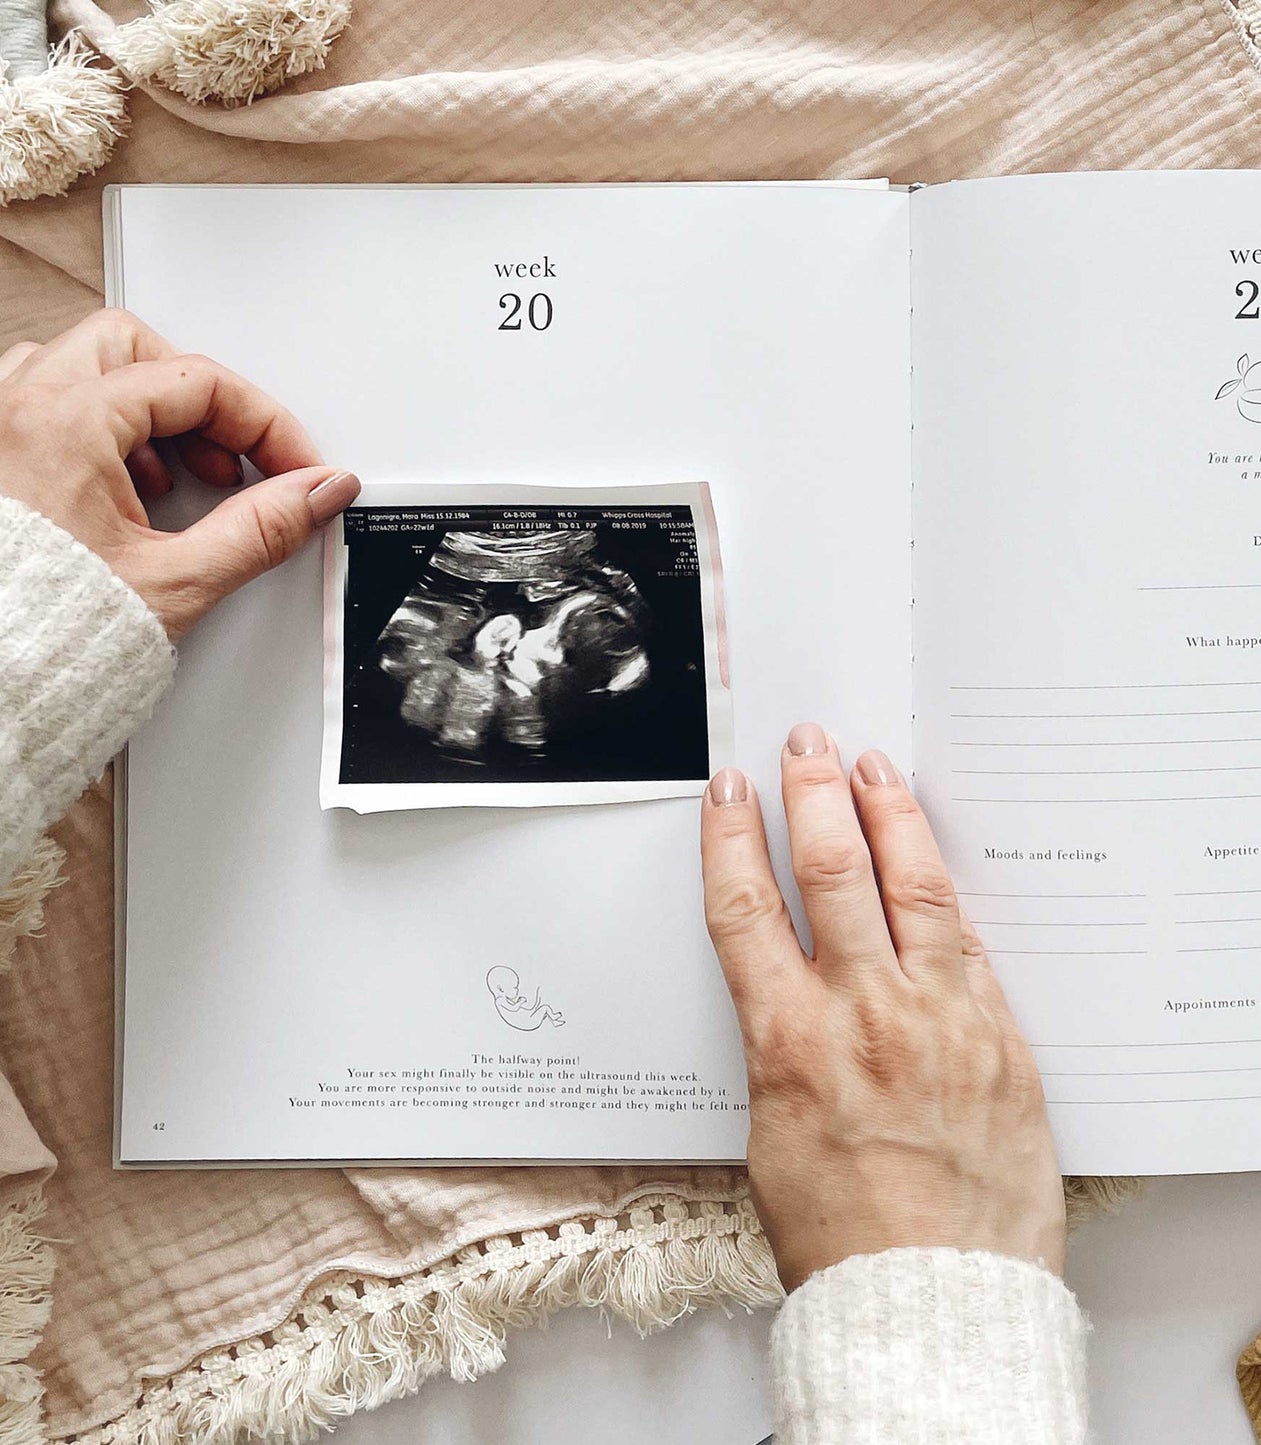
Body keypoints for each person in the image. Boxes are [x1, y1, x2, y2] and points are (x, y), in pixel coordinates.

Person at [0, 311, 1088, 1443]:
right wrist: (932, 1285)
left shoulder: (542, 657)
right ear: (502, 638)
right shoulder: (472, 661)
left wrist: (20, 628)